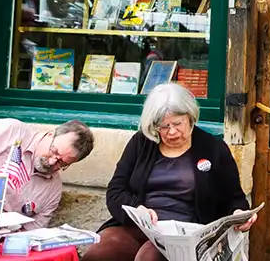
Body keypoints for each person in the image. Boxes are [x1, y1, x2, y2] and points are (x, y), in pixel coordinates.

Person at [85, 83, 254, 261]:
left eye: (177, 123)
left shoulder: (213, 148)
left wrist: (239, 214)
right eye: (163, 126)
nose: (172, 132)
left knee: (149, 258)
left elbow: (234, 198)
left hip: (183, 233)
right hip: (140, 227)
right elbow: (116, 191)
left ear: (190, 117)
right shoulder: (141, 143)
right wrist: (138, 208)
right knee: (98, 254)